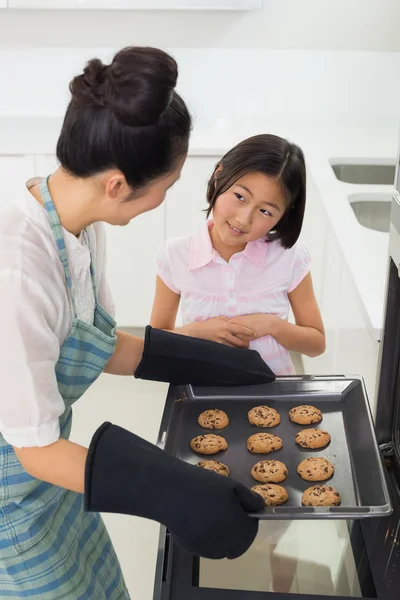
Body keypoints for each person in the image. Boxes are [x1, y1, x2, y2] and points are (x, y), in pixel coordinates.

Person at [0, 47, 275, 599]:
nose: (166, 198)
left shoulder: (76, 225)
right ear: (119, 185)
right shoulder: (16, 273)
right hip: (14, 503)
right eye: (167, 187)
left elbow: (92, 344)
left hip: (55, 486)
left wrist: (201, 356)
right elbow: (34, 448)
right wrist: (179, 493)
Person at [150, 134, 326, 375]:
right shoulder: (175, 254)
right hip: (201, 393)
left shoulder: (290, 256)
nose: (243, 219)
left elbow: (316, 345)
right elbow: (157, 343)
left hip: (275, 394)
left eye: (265, 211)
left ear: (283, 215)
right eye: (240, 197)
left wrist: (271, 325)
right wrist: (198, 332)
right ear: (218, 176)